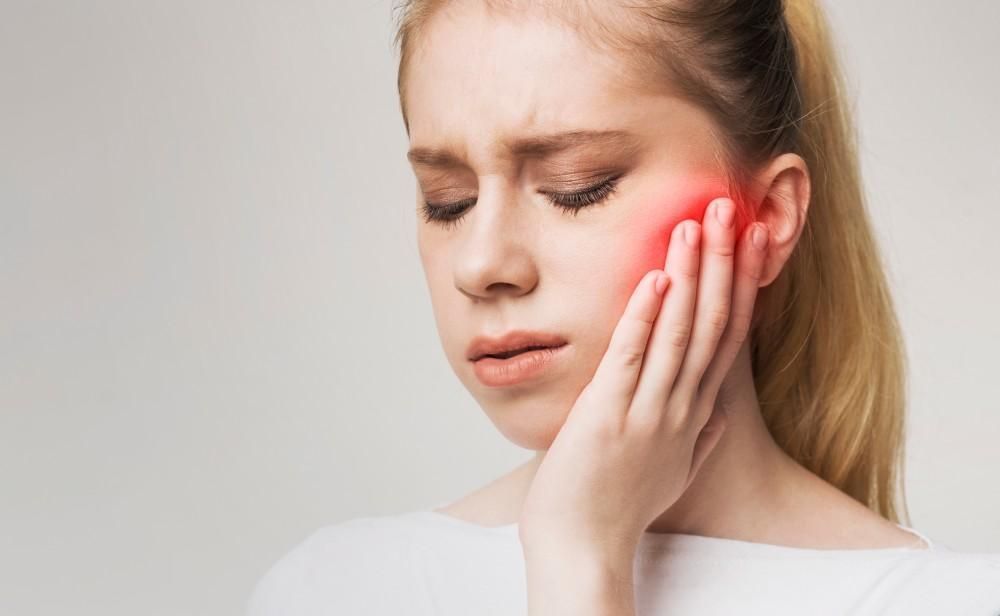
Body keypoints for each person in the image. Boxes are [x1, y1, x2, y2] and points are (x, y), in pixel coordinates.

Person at [247, 0, 1000, 614]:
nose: (481, 266)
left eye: (577, 185)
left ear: (767, 218)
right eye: (448, 202)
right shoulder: (331, 592)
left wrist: (584, 563)